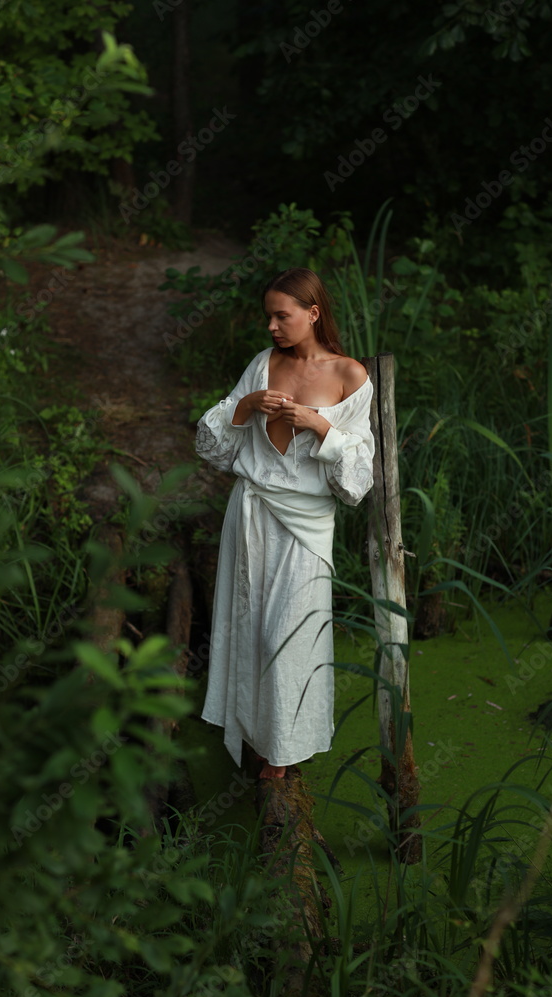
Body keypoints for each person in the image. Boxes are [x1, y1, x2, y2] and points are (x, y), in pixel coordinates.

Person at [195, 267, 375, 779]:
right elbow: (212, 447)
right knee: (247, 625)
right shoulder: (262, 364)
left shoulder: (350, 376)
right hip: (250, 513)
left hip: (305, 525)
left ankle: (284, 745)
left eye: (282, 316)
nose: (272, 326)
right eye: (268, 317)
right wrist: (245, 405)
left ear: (313, 313)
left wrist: (321, 427)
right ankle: (253, 733)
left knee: (289, 636)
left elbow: (358, 479)